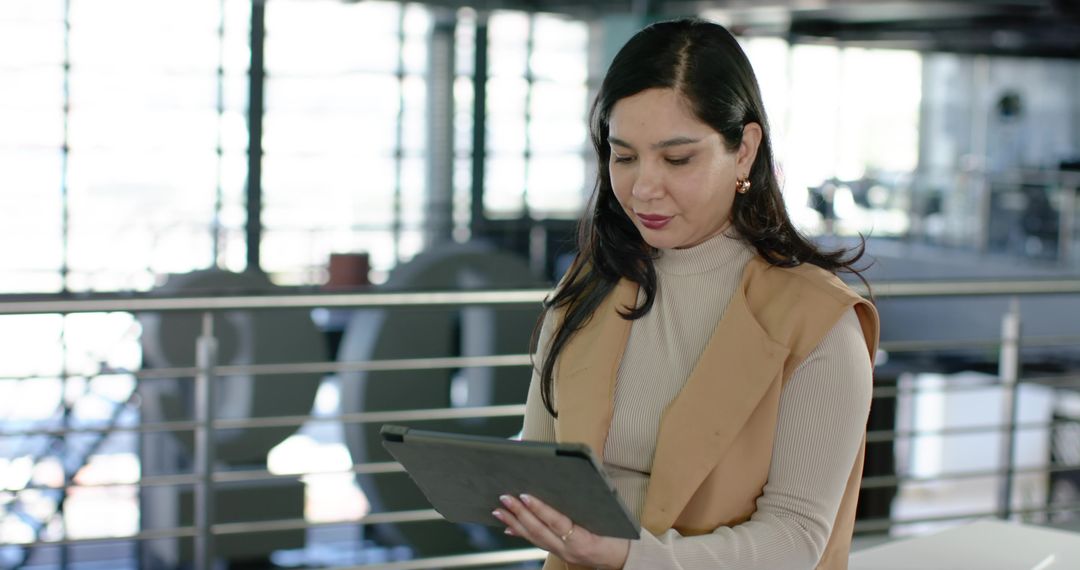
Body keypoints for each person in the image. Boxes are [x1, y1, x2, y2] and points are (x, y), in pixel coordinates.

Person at [491, 17, 879, 570]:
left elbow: (794, 538)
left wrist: (625, 556)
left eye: (677, 159)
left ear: (744, 151)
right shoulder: (588, 288)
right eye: (623, 156)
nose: (643, 187)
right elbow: (541, 457)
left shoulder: (816, 322)